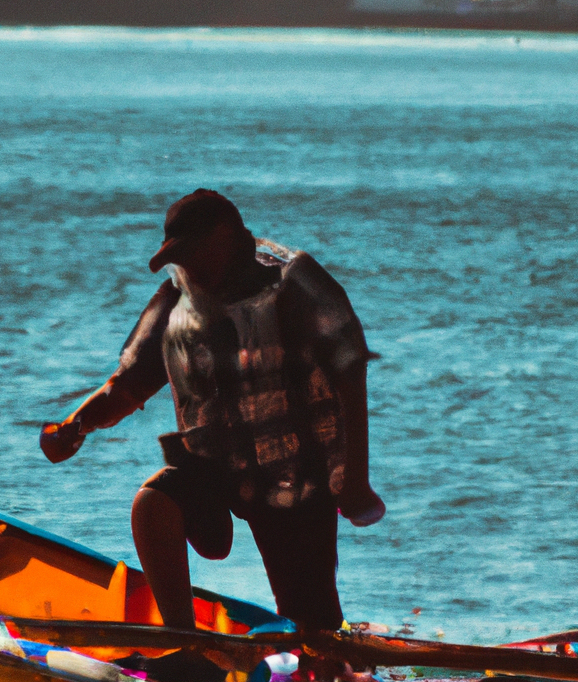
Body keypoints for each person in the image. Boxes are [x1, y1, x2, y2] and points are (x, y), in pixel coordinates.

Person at [40, 189, 384, 639]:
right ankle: (184, 643)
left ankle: (324, 673)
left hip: (296, 476)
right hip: (215, 467)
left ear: (227, 238)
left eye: (193, 253)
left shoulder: (296, 283)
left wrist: (353, 478)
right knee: (154, 502)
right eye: (177, 258)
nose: (188, 268)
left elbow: (349, 373)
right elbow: (125, 386)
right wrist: (75, 425)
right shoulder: (175, 300)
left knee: (312, 622)